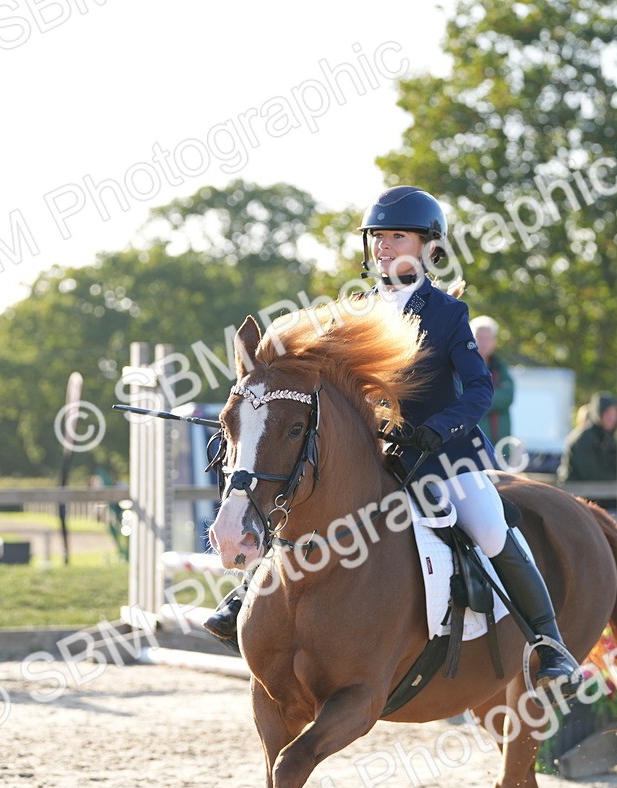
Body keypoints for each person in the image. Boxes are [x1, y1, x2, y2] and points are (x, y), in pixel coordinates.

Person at [206, 186, 580, 692]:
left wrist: (435, 429)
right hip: (376, 453)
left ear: (428, 246)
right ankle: (245, 597)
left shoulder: (448, 314)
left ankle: (549, 642)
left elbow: (478, 391)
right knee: (301, 504)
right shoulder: (353, 312)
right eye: (377, 237)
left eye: (396, 236)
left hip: (444, 456)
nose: (383, 246)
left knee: (490, 527)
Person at [469, 315, 514, 452]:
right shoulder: (461, 367)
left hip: (500, 446)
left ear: (494, 341)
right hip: (471, 445)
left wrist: (480, 400)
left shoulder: (501, 368)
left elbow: (508, 396)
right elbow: (462, 397)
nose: (484, 343)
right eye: (480, 338)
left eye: (488, 339)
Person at [558, 391, 617, 486]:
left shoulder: (609, 438)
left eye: (614, 413)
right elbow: (590, 474)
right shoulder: (584, 438)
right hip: (576, 494)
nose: (611, 418)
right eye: (607, 413)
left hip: (602, 492)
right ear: (599, 413)